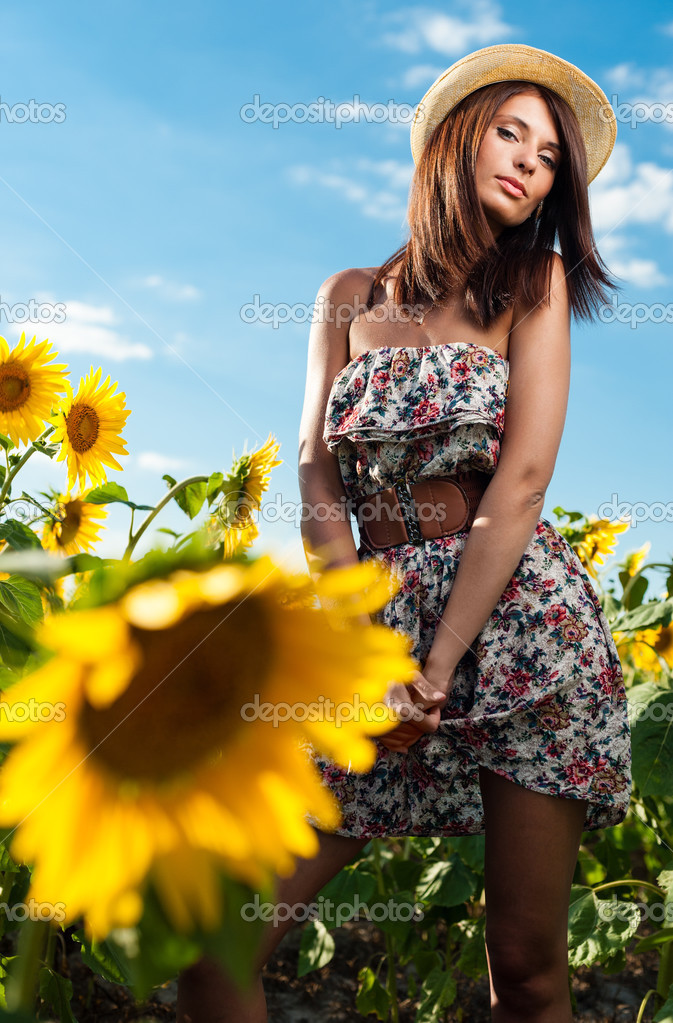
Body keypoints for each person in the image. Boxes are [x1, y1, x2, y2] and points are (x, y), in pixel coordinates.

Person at [176, 43, 632, 1023]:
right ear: (458, 137)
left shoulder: (537, 283)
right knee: (219, 950)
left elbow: (522, 481)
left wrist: (443, 656)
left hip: (515, 627)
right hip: (369, 625)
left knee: (527, 967)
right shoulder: (348, 296)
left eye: (550, 156)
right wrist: (366, 641)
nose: (529, 163)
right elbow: (313, 470)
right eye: (512, 132)